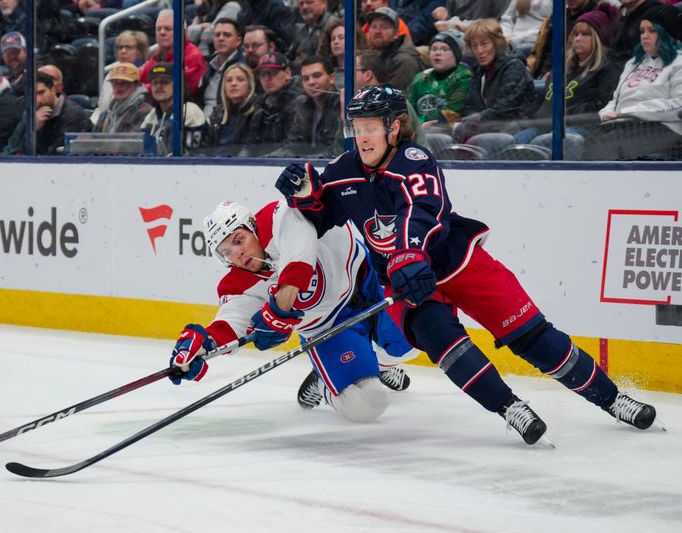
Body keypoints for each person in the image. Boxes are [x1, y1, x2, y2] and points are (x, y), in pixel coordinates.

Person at [274, 85, 658, 444]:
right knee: (441, 338)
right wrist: (306, 196)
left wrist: (407, 253)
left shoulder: (414, 158)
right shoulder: (343, 171)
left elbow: (422, 209)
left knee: (533, 338)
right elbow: (322, 218)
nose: (363, 137)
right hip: (403, 282)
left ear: (394, 127)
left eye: (371, 127)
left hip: (457, 261)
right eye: (357, 128)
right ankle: (511, 409)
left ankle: (612, 399)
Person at [168, 200, 416, 422]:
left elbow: (298, 259)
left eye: (238, 240)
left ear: (253, 227)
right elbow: (230, 323)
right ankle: (324, 385)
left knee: (419, 337)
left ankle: (379, 364)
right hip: (330, 329)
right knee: (369, 404)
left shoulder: (282, 216)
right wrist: (202, 345)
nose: (237, 253)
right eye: (227, 252)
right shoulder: (237, 285)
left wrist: (279, 308)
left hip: (369, 281)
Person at [514, 2, 622, 147]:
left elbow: (602, 106)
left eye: (585, 34)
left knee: (543, 142)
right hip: (546, 125)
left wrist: (565, 112)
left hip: (582, 128)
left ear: (599, 38)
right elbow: (543, 100)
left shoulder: (608, 68)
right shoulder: (562, 67)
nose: (578, 38)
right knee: (516, 141)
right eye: (576, 34)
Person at [585, 10, 682, 159]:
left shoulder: (678, 63)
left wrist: (630, 112)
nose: (645, 36)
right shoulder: (634, 62)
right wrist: (606, 113)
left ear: (667, 33)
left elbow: (679, 105)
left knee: (608, 149)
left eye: (652, 31)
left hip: (663, 132)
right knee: (588, 144)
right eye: (642, 31)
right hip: (622, 126)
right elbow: (615, 100)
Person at [453, 18, 535, 142]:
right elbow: (471, 106)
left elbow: (503, 109)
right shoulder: (478, 70)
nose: (480, 51)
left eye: (484, 44)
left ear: (497, 43)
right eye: (474, 46)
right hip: (486, 128)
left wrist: (471, 122)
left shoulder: (514, 66)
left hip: (515, 129)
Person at [407, 30, 471, 129]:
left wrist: (421, 126)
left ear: (456, 54)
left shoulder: (463, 77)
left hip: (447, 129)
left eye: (444, 49)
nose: (437, 53)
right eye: (434, 49)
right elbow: (408, 109)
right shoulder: (420, 78)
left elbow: (452, 112)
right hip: (418, 129)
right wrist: (416, 127)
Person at [280, 56, 341, 158]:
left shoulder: (341, 105)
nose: (311, 82)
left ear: (331, 78)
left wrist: (303, 161)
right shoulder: (302, 106)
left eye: (317, 76)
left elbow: (335, 151)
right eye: (305, 78)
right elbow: (291, 146)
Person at [141, 62, 206, 156]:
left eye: (164, 82)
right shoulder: (151, 116)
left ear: (177, 85)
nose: (159, 86)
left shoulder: (190, 112)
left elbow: (193, 154)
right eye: (155, 83)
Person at [139, 9, 206, 99]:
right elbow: (141, 79)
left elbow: (175, 88)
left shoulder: (193, 56)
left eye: (168, 29)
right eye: (158, 29)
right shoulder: (158, 54)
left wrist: (140, 90)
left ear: (184, 32)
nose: (162, 32)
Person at [245, 51, 302, 156]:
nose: (267, 78)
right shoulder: (260, 105)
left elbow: (294, 148)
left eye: (273, 73)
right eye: (262, 74)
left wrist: (261, 161)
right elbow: (249, 146)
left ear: (288, 73)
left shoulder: (300, 103)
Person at [527, 0, 599, 80]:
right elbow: (536, 53)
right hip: (538, 76)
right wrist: (528, 68)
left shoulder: (596, 20)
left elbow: (587, 61)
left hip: (565, 80)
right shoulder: (556, 16)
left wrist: (554, 74)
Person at [366, 7, 426, 92]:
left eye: (384, 27)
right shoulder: (371, 55)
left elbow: (394, 99)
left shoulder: (404, 61)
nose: (377, 31)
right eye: (374, 27)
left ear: (396, 34)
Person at [34, 71, 91, 155]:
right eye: (34, 95)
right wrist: (34, 128)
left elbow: (56, 154)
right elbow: (19, 148)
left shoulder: (73, 114)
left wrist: (36, 131)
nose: (38, 100)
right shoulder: (34, 113)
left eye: (41, 93)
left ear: (53, 90)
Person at [199, 18, 246, 118]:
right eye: (217, 35)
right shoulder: (208, 63)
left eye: (227, 35)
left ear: (238, 41)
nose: (221, 38)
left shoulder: (244, 66)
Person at [206, 62, 256, 154]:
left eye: (240, 80)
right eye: (228, 80)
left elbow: (250, 149)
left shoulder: (256, 111)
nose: (233, 84)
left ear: (249, 85)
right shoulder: (217, 113)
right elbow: (206, 147)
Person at [93, 62, 151, 134]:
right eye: (115, 83)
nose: (118, 86)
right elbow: (94, 139)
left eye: (124, 83)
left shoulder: (144, 112)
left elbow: (133, 143)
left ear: (137, 85)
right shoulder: (106, 113)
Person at [287, 0, 335, 71]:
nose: (304, 7)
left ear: (324, 3)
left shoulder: (333, 27)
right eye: (301, 4)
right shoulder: (301, 30)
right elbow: (289, 56)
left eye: (309, 2)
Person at [0, 31, 25, 98]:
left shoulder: (35, 74)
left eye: (15, 51)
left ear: (26, 51)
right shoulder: (1, 77)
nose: (12, 56)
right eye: (7, 53)